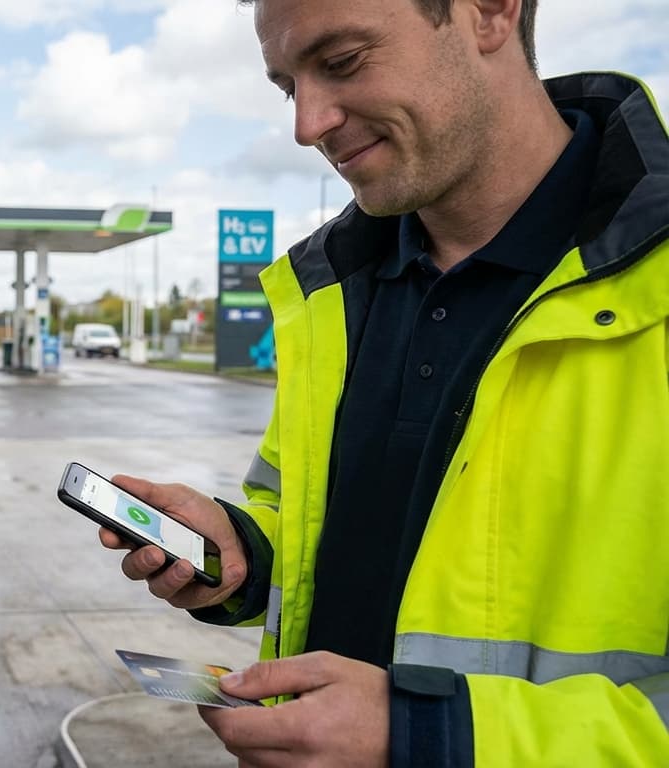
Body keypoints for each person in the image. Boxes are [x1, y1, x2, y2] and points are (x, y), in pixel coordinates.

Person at [101, 0, 669, 764]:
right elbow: (338, 533)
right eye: (287, 85)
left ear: (490, 12)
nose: (307, 125)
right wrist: (244, 553)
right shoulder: (331, 293)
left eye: (341, 62)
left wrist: (431, 738)